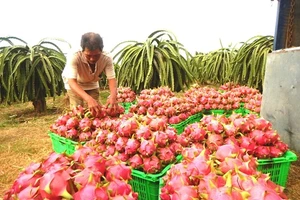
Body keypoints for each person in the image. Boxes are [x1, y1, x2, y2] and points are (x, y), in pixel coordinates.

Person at [62, 32, 118, 116]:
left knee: (97, 111)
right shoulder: (74, 56)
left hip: (92, 82)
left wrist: (113, 96)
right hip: (75, 83)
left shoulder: (107, 58)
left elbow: (111, 79)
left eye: (96, 55)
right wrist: (88, 99)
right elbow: (72, 82)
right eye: (88, 55)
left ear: (101, 50)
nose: (92, 59)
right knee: (77, 112)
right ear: (82, 49)